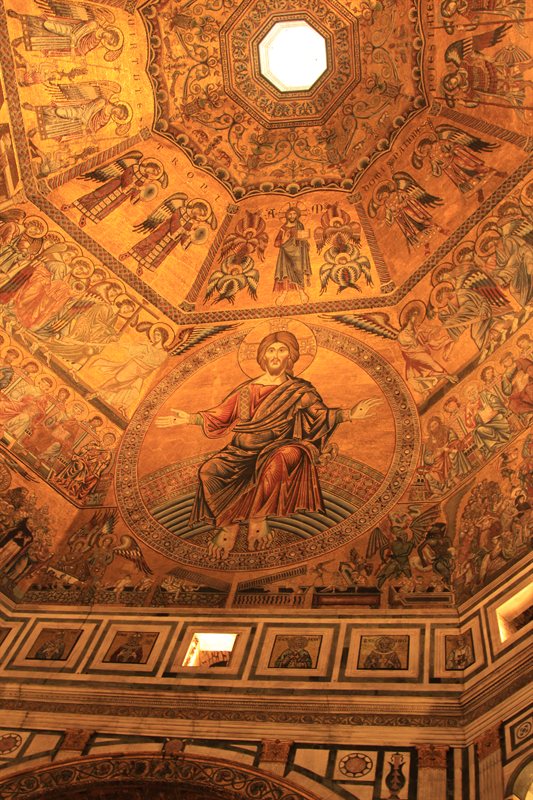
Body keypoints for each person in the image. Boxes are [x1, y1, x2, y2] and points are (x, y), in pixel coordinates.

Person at [156, 331, 380, 559]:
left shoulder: (299, 391)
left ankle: (258, 519)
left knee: (282, 457)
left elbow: (319, 415)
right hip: (240, 452)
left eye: (282, 350)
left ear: (290, 356)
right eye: (271, 350)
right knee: (208, 470)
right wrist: (190, 418)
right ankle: (229, 524)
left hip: (279, 447)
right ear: (262, 356)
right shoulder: (247, 390)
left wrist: (349, 414)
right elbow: (222, 415)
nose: (275, 355)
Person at [273, 208, 312, 305]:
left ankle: (301, 292)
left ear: (297, 215)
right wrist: (284, 240)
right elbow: (276, 243)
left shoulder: (300, 225)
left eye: (294, 214)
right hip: (285, 253)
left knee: (299, 270)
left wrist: (305, 242)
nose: (292, 216)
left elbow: (302, 239)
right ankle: (284, 293)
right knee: (286, 272)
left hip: (298, 253)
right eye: (290, 214)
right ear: (287, 215)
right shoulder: (283, 228)